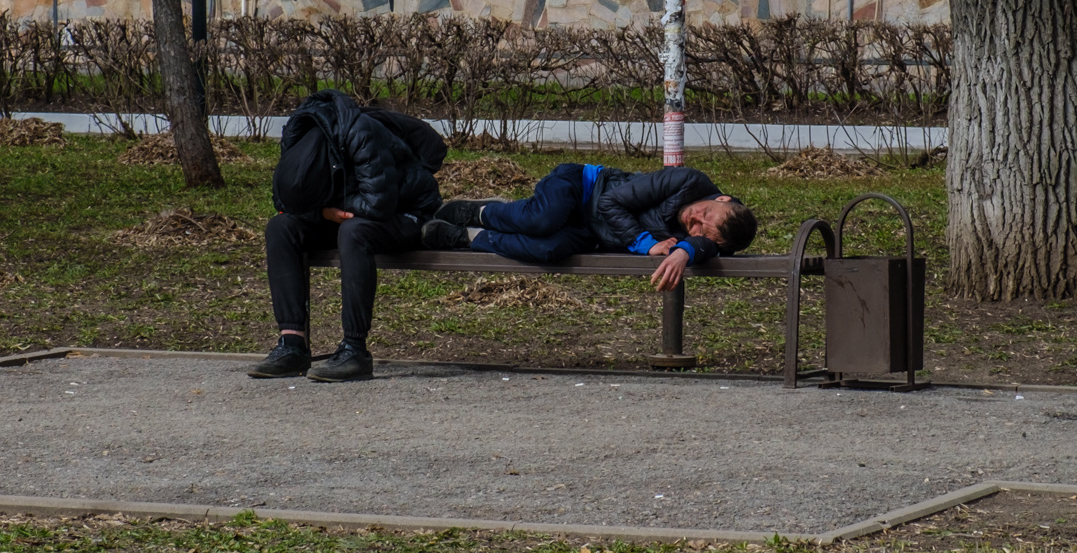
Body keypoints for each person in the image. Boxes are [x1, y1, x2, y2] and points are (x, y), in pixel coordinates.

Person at [250, 92, 446, 382]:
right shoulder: (298, 133)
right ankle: (292, 346)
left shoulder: (362, 134)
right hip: (342, 210)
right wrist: (322, 214)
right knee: (281, 228)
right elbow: (284, 203)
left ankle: (355, 351)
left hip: (407, 212)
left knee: (354, 231)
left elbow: (378, 204)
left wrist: (330, 210)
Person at [420, 164, 758, 292]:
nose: (693, 223)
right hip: (582, 188)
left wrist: (686, 250)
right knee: (542, 219)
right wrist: (644, 243)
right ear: (722, 198)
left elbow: (710, 246)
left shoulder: (714, 234)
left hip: (592, 234)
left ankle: (468, 238)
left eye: (700, 230)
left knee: (548, 249)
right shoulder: (688, 180)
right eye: (702, 214)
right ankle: (479, 212)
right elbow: (612, 202)